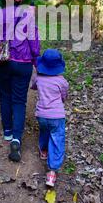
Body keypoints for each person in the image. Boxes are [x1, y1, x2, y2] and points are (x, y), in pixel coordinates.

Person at [0, 0, 40, 162]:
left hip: (2, 62)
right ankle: (17, 139)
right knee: (19, 100)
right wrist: (36, 61)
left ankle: (8, 132)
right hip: (22, 63)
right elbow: (34, 41)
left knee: (5, 95)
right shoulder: (28, 14)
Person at [31, 49, 69, 187]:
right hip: (57, 116)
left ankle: (44, 151)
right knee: (57, 137)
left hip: (41, 115)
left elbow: (33, 87)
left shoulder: (39, 79)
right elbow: (64, 96)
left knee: (44, 132)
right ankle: (52, 172)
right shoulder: (62, 81)